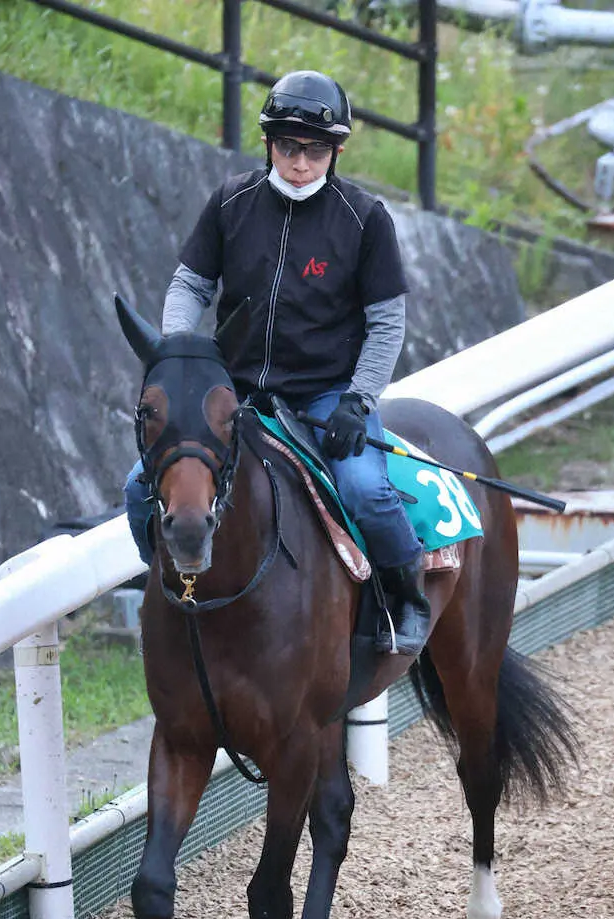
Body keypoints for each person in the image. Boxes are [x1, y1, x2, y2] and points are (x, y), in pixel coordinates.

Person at [125, 69, 429, 655]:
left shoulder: (366, 219)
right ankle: (169, 583)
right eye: (288, 147)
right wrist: (180, 353)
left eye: (315, 151)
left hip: (325, 399)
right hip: (234, 395)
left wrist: (358, 399)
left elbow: (386, 322)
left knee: (365, 489)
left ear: (336, 150)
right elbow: (190, 285)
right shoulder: (230, 202)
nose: (299, 163)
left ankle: (404, 593)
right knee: (139, 488)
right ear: (269, 143)